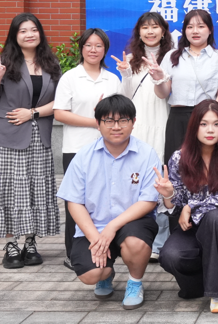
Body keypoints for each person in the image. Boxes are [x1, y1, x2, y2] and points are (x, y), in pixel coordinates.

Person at [56, 95, 160, 310]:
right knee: (91, 274)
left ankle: (135, 283)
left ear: (133, 122)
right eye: (109, 121)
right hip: (94, 226)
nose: (116, 127)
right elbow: (74, 202)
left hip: (133, 223)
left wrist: (112, 227)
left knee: (135, 243)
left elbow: (149, 200)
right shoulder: (83, 156)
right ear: (98, 123)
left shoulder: (147, 154)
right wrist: (96, 239)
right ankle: (106, 273)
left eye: (123, 120)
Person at [0, 13, 62, 269]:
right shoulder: (4, 62)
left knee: (37, 188)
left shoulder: (51, 63)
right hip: (7, 136)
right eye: (23, 30)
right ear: (14, 35)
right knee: (9, 190)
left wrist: (32, 113)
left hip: (39, 135)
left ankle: (30, 242)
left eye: (33, 29)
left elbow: (60, 101)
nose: (29, 34)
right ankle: (11, 244)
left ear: (40, 33)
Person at [158, 99, 218, 314]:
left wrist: (191, 206)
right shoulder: (179, 158)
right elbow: (176, 204)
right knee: (170, 255)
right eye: (204, 124)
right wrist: (169, 194)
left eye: (216, 124)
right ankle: (202, 283)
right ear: (194, 126)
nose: (210, 130)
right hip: (191, 229)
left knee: (215, 217)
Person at [54, 28, 122, 268]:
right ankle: (73, 253)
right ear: (81, 48)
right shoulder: (70, 77)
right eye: (89, 45)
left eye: (99, 46)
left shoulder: (112, 79)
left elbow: (119, 113)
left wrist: (106, 120)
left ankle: (103, 249)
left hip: (108, 148)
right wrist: (95, 122)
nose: (93, 50)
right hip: (77, 148)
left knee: (103, 200)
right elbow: (60, 113)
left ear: (105, 50)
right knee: (76, 201)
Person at [112, 11, 174, 262]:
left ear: (163, 31)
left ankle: (161, 241)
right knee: (136, 179)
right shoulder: (130, 60)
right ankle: (136, 237)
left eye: (155, 27)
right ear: (138, 32)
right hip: (139, 126)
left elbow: (169, 93)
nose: (150, 31)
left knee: (161, 177)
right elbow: (126, 97)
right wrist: (126, 74)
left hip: (163, 121)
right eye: (145, 27)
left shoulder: (173, 57)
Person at [145, 9, 218, 164]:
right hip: (178, 119)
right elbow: (163, 94)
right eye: (190, 27)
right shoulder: (172, 56)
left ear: (210, 30)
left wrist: (212, 121)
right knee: (176, 166)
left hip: (207, 119)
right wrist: (158, 80)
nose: (195, 31)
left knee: (207, 165)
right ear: (184, 30)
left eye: (201, 26)